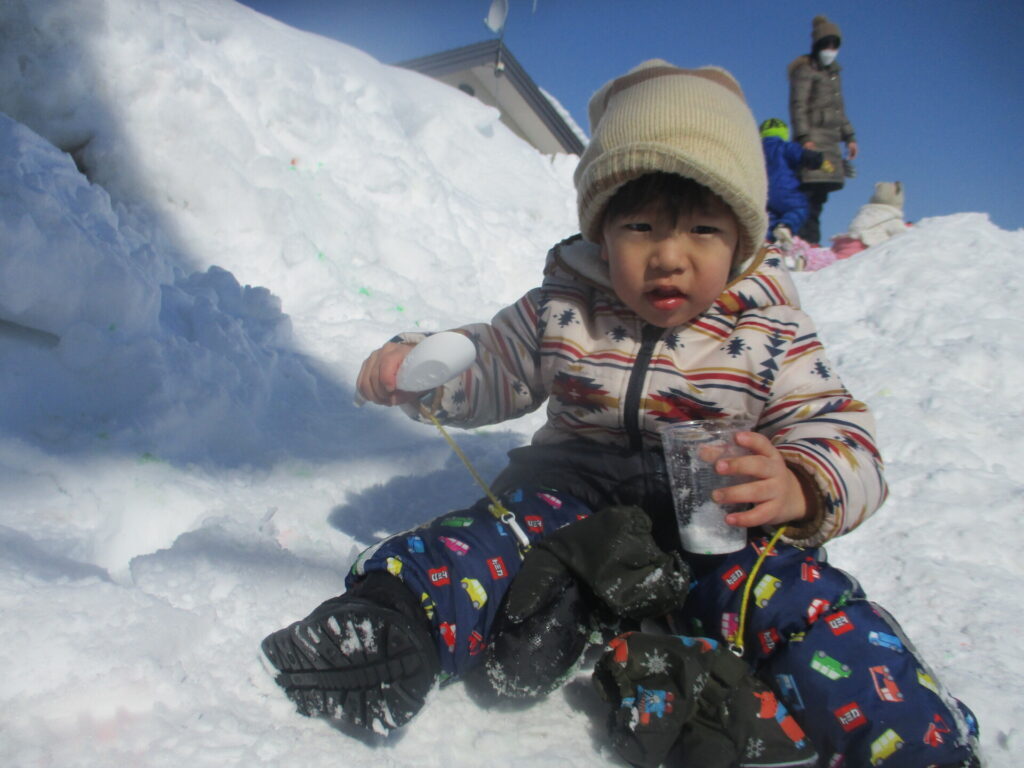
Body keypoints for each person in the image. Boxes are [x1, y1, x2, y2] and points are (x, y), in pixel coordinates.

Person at [261, 61, 979, 766]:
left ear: (741, 240)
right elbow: (496, 367)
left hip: (714, 522)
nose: (669, 257)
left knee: (806, 602)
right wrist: (425, 372)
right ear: (603, 232)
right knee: (480, 543)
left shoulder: (771, 334)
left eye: (702, 229)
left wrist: (800, 480)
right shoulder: (562, 308)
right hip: (569, 502)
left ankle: (910, 740)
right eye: (640, 226)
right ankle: (387, 634)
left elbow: (839, 428)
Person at [788, 15, 857, 245]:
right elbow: (798, 104)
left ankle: (811, 243)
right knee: (807, 193)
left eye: (834, 45)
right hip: (814, 140)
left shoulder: (834, 74)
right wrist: (804, 137)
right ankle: (803, 242)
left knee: (819, 196)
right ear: (817, 45)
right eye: (825, 44)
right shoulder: (806, 70)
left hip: (830, 143)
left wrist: (850, 137)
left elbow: (839, 110)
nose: (830, 49)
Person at [759, 116, 826, 249]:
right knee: (798, 208)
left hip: (763, 192)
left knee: (770, 217)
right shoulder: (785, 146)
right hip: (785, 190)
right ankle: (786, 226)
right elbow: (802, 155)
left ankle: (767, 243)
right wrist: (818, 160)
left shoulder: (758, 149)